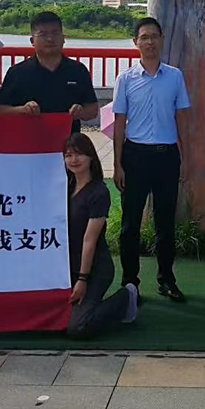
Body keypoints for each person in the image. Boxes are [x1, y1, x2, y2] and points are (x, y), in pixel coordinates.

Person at [113, 17, 191, 301]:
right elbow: (119, 123)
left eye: (154, 36)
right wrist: (117, 164)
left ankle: (166, 279)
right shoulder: (125, 79)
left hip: (167, 156)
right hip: (135, 156)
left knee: (165, 223)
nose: (150, 42)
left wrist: (185, 157)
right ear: (136, 42)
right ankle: (130, 282)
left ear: (162, 39)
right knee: (130, 224)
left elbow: (181, 118)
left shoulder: (175, 76)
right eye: (144, 37)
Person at [65, 132, 139, 337]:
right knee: (56, 320)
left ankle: (126, 298)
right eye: (68, 155)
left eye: (79, 154)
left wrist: (83, 279)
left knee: (77, 328)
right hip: (68, 266)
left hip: (95, 268)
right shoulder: (65, 188)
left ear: (91, 157)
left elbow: (89, 240)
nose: (74, 160)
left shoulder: (99, 192)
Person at [0, 11, 98, 132]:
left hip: (68, 139)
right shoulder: (17, 72)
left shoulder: (78, 70)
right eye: (43, 34)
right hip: (28, 139)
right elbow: (0, 110)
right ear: (32, 41)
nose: (50, 39)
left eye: (55, 33)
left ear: (63, 38)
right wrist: (23, 110)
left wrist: (81, 112)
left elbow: (93, 110)